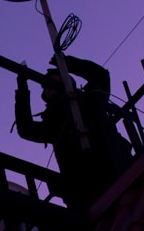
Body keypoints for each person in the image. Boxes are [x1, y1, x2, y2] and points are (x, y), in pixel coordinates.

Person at [14, 54, 129, 210]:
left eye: (55, 81)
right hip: (83, 189)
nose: (49, 86)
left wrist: (67, 63)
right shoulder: (53, 122)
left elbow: (100, 75)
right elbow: (26, 129)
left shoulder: (90, 99)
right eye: (46, 86)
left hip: (116, 168)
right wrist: (22, 86)